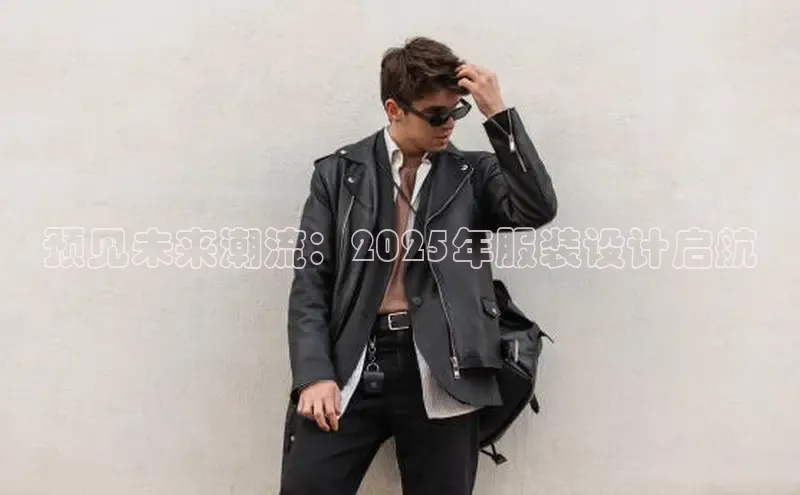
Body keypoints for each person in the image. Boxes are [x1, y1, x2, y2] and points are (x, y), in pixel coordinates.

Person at [280, 36, 557, 495]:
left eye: (456, 112)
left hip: (444, 369)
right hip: (351, 362)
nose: (449, 124)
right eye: (435, 114)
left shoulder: (472, 175)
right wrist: (313, 374)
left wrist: (498, 114)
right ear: (394, 109)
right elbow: (311, 282)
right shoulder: (338, 174)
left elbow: (537, 208)